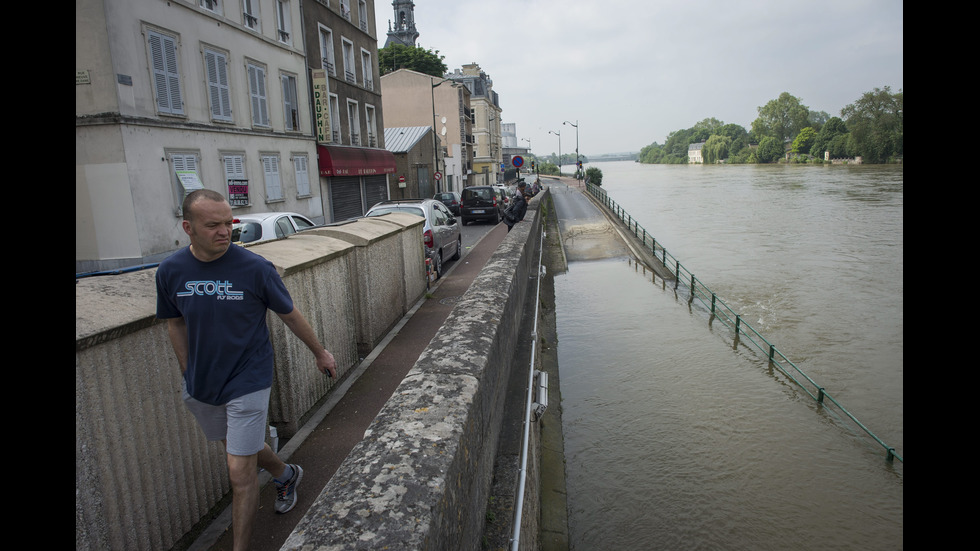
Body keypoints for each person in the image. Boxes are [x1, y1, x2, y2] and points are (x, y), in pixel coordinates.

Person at [156, 189, 337, 551]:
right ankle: (286, 475)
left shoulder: (254, 268)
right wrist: (187, 370)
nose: (225, 231)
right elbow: (174, 322)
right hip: (202, 383)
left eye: (229, 223)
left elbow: (289, 313)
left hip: (248, 377)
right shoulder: (171, 271)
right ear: (188, 227)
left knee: (239, 472)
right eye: (213, 225)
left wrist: (320, 352)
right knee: (245, 448)